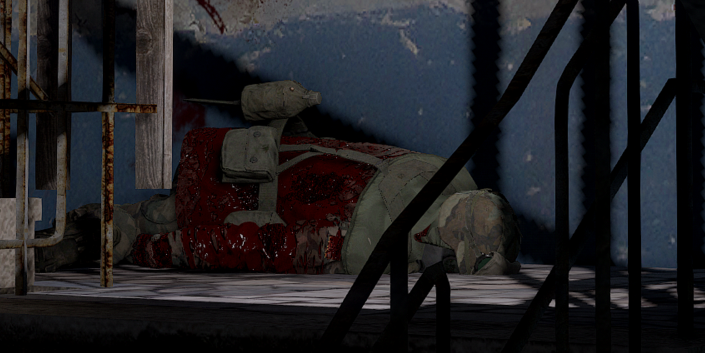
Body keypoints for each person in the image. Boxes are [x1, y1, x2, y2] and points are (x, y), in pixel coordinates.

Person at [36, 81, 521, 276]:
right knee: (154, 220)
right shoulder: (372, 237)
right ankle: (87, 237)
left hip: (248, 174)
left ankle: (89, 234)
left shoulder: (437, 175)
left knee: (153, 217)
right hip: (238, 191)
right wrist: (150, 251)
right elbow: (256, 245)